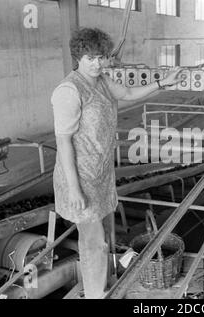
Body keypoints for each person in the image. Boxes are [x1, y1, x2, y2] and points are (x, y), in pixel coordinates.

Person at [51, 27, 182, 299]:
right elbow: (63, 143)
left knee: (101, 237)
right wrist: (74, 190)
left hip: (99, 172)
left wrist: (163, 82)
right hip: (79, 175)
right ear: (78, 57)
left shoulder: (101, 80)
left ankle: (103, 282)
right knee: (93, 241)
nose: (98, 63)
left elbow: (130, 94)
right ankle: (97, 295)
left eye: (102, 57)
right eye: (92, 58)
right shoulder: (69, 90)